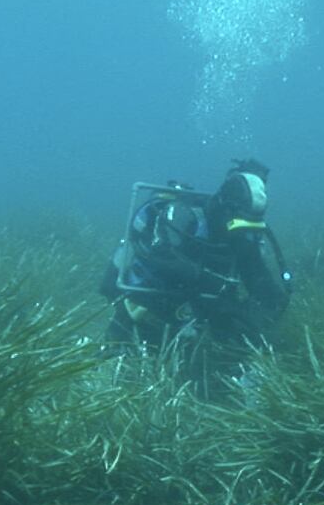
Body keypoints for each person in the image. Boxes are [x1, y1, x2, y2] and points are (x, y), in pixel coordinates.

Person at [98, 159, 291, 385]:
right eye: (238, 227)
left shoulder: (241, 236)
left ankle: (227, 379)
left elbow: (255, 273)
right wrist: (210, 286)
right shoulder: (182, 219)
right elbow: (162, 259)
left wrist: (270, 301)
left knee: (231, 330)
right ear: (224, 208)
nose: (241, 236)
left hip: (197, 309)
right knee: (130, 353)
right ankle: (108, 364)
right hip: (148, 301)